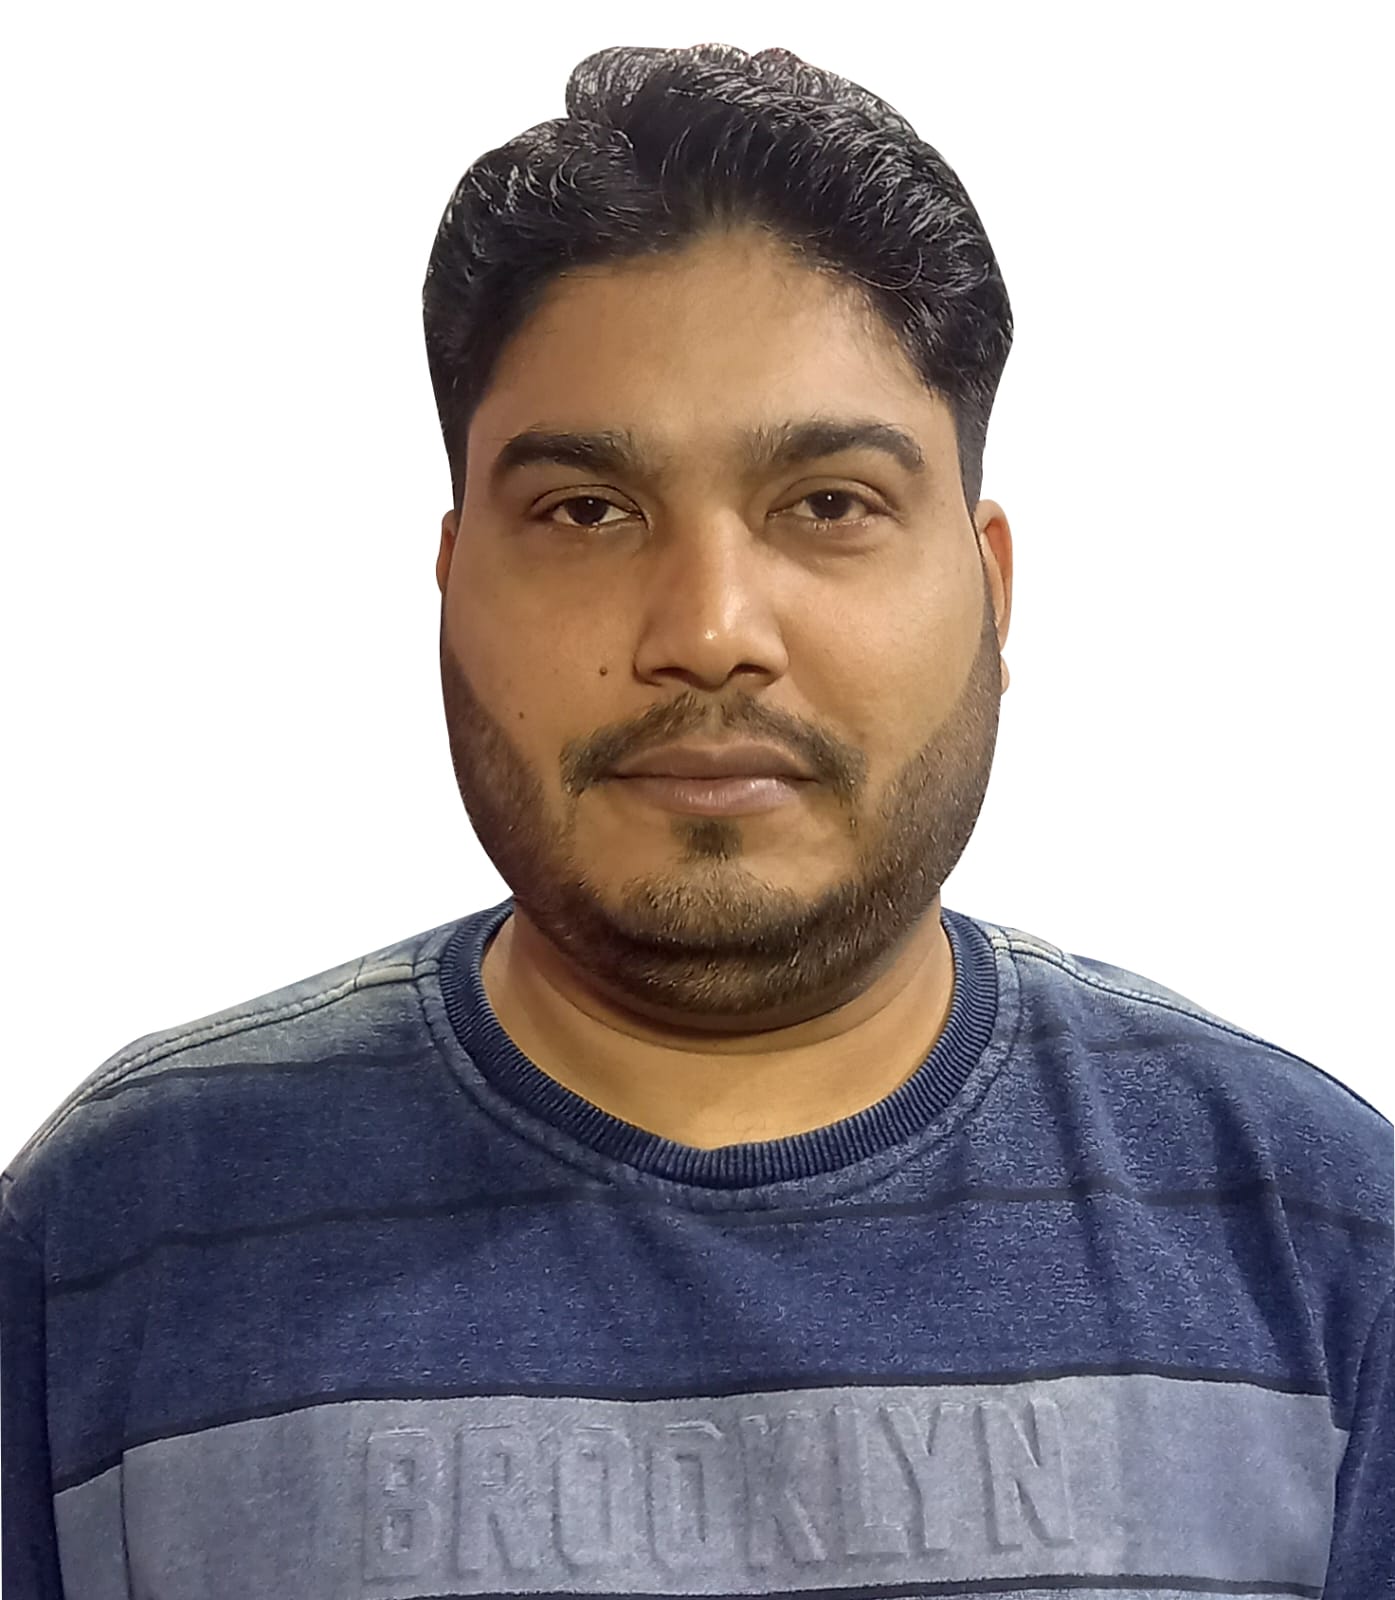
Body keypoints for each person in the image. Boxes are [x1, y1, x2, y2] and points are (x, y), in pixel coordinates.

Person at [2, 40, 1390, 1600]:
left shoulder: (1317, 1231)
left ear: (991, 586)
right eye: (588, 511)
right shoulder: (121, 1229)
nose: (712, 629)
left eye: (830, 504)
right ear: (451, 584)